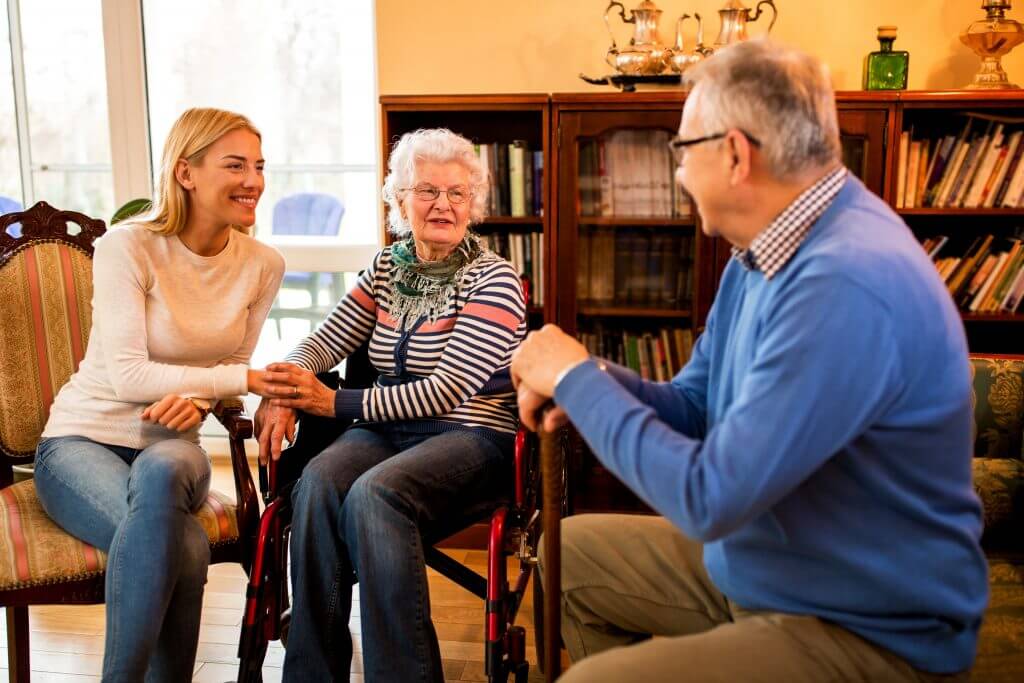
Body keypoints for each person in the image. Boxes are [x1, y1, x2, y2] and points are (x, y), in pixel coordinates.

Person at [512, 40, 987, 683]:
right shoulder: (760, 253)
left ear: (734, 154)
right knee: (568, 554)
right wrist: (591, 380)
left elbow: (709, 498)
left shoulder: (844, 280)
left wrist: (573, 377)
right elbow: (695, 406)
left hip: (868, 628)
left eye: (683, 151)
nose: (677, 173)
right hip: (771, 570)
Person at [252, 127, 527, 682]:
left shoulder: (494, 279)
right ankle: (311, 674)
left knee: (375, 495)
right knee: (320, 482)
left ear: (473, 203)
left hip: (473, 437)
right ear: (400, 200)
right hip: (390, 433)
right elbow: (324, 339)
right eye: (426, 191)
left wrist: (334, 403)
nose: (442, 204)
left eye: (457, 193)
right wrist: (288, 388)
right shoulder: (385, 268)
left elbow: (449, 389)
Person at [34, 108, 285, 682]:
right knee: (187, 547)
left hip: (173, 442)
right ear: (186, 173)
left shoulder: (263, 264)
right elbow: (128, 376)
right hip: (81, 439)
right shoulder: (129, 246)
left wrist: (200, 399)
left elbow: (228, 364)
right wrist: (239, 383)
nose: (253, 180)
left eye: (259, 166)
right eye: (235, 165)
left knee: (167, 470)